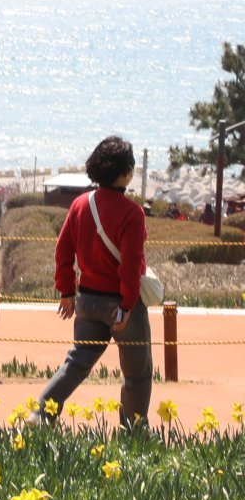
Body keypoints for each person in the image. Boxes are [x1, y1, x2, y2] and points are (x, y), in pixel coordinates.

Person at [33, 136, 151, 427]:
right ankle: (133, 430)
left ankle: (41, 414)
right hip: (120, 303)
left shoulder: (80, 204)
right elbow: (131, 266)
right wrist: (126, 305)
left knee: (78, 360)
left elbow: (63, 250)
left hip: (87, 299)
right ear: (125, 173)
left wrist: (66, 291)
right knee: (137, 371)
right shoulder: (132, 212)